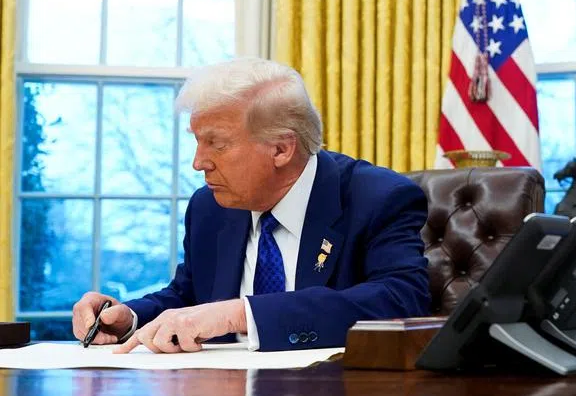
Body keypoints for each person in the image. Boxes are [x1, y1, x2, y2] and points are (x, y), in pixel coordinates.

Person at [71, 58, 431, 353]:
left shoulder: (377, 197)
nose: (199, 163)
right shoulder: (210, 207)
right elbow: (189, 295)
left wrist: (243, 314)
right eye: (198, 142)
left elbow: (401, 300)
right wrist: (129, 318)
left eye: (217, 144)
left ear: (281, 148)